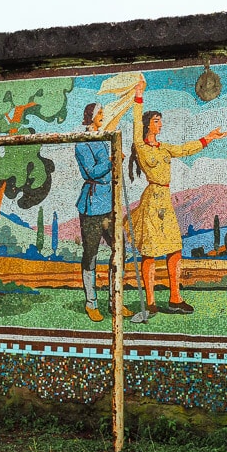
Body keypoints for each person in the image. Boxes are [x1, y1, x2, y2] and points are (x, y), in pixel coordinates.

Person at [127, 79, 227, 315]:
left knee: (175, 248)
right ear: (147, 125)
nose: (160, 124)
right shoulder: (141, 147)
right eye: (156, 121)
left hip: (165, 198)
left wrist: (209, 138)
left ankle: (175, 298)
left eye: (160, 121)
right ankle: (151, 303)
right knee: (150, 252)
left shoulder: (163, 148)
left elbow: (185, 149)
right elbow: (134, 122)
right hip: (152, 200)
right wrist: (139, 96)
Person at [75, 102, 133, 322]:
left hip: (110, 204)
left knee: (120, 250)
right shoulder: (82, 143)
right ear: (90, 116)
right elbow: (92, 171)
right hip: (91, 206)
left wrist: (117, 159)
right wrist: (111, 160)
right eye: (99, 113)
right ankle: (91, 302)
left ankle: (114, 300)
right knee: (90, 254)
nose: (102, 116)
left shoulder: (104, 138)